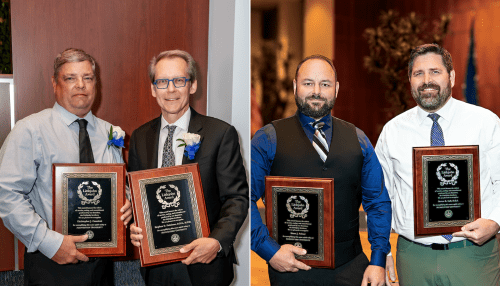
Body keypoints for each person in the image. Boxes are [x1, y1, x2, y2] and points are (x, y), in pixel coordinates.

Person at [251, 54, 392, 286]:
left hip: (351, 268)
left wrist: (377, 260)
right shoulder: (267, 138)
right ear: (295, 86)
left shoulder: (359, 140)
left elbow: (377, 203)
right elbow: (242, 199)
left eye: (325, 84)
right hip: (290, 270)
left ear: (336, 89)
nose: (316, 91)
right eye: (308, 83)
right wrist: (269, 251)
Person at [0, 48, 133, 285]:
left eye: (88, 78)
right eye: (70, 78)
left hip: (102, 264)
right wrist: (50, 243)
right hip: (50, 263)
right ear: (55, 83)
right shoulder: (30, 130)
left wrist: (128, 201)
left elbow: (118, 184)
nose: (80, 85)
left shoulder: (110, 132)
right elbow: (6, 194)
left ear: (96, 83)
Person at [375, 43, 500, 285]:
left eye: (435, 71)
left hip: (474, 254)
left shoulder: (486, 123)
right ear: (410, 80)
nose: (426, 80)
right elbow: (380, 196)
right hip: (413, 257)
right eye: (418, 73)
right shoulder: (393, 132)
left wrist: (495, 221)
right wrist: (384, 253)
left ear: (451, 77)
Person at [128, 50, 249, 286]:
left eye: (179, 80)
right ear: (153, 89)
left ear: (192, 86)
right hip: (156, 269)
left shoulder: (220, 134)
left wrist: (216, 242)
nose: (170, 89)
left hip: (205, 266)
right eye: (162, 82)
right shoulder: (140, 137)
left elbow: (237, 198)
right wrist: (134, 225)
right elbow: (136, 197)